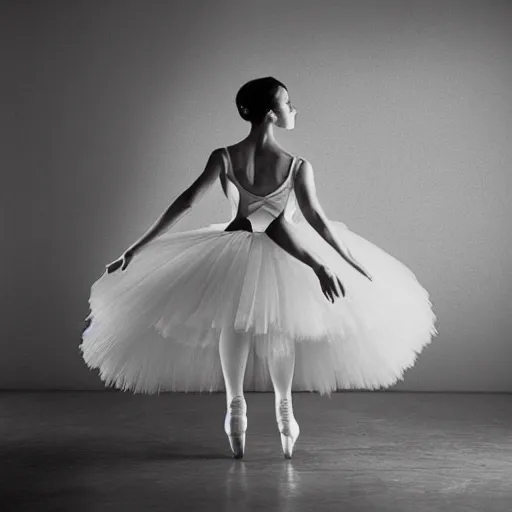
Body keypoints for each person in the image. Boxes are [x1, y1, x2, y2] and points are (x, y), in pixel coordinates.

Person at [80, 76, 438, 460]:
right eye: (288, 103)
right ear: (271, 114)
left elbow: (184, 203)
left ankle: (235, 409)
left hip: (233, 251)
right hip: (285, 255)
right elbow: (315, 220)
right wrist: (340, 261)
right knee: (278, 328)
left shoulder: (224, 157)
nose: (293, 109)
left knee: (234, 324)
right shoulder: (297, 166)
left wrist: (135, 249)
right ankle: (285, 411)